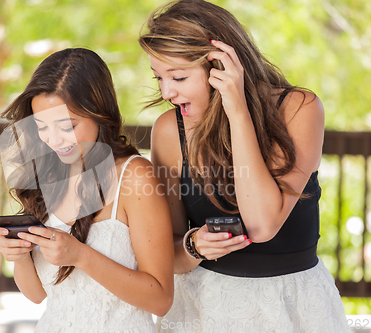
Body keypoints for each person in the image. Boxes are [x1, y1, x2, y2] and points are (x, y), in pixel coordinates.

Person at [138, 0, 349, 332]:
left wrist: (236, 110)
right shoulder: (169, 131)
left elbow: (263, 225)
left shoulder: (297, 108)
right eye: (158, 77)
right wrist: (195, 245)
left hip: (293, 304)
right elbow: (173, 256)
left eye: (178, 76)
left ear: (222, 65)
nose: (166, 91)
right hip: (204, 307)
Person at [0, 48, 174, 332]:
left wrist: (80, 256)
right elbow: (38, 295)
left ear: (99, 114)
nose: (53, 140)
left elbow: (160, 299)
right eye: (42, 126)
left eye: (67, 125)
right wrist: (18, 257)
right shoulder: (47, 175)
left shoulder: (135, 175)